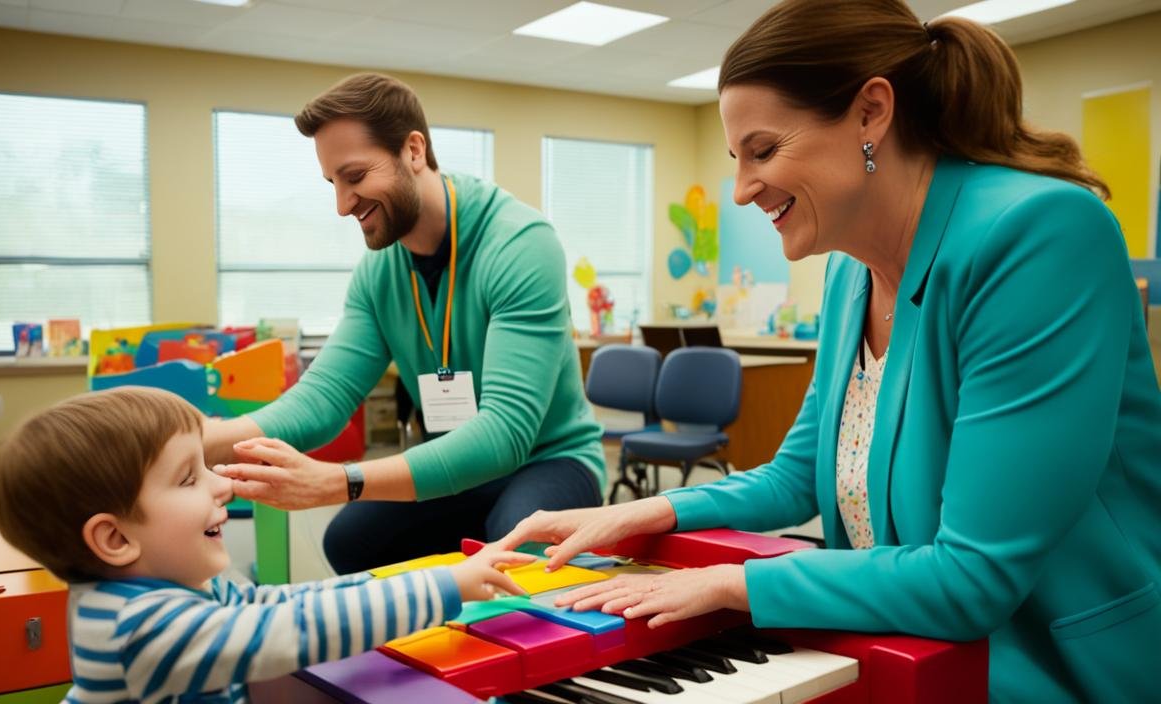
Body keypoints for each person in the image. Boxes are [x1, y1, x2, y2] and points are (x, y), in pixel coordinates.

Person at [497, 1, 1161, 701]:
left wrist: (732, 583)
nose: (744, 188)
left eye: (763, 150)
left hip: (1051, 667)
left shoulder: (1037, 235)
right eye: (737, 158)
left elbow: (973, 577)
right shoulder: (850, 272)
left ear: (872, 113)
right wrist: (647, 514)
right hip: (901, 646)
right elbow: (800, 474)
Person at [204, 73, 605, 575]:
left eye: (354, 177)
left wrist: (338, 481)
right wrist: (210, 439)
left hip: (549, 459)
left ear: (413, 150)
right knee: (352, 541)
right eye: (333, 184)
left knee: (517, 553)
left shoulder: (520, 243)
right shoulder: (379, 271)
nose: (342, 205)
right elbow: (326, 397)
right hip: (460, 459)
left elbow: (506, 433)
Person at [0, 387, 532, 703]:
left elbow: (279, 603)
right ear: (116, 537)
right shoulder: (136, 628)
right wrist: (442, 588)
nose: (223, 483)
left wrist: (389, 581)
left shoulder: (189, 581)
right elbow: (285, 634)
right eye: (189, 478)